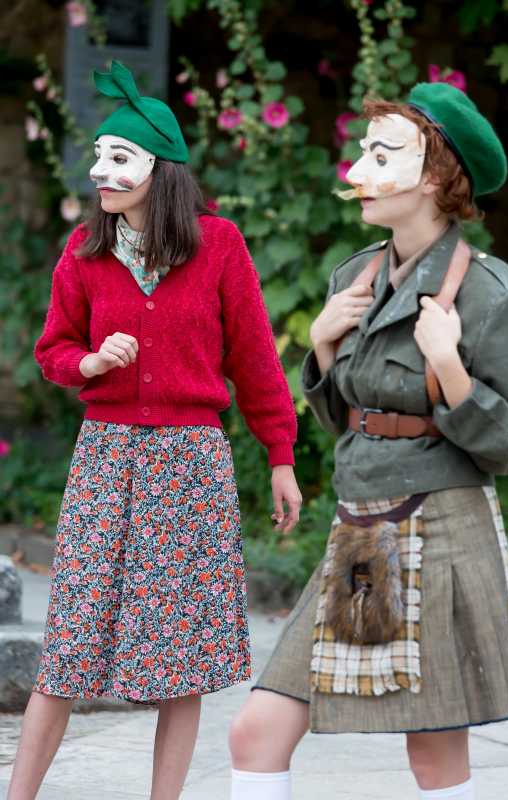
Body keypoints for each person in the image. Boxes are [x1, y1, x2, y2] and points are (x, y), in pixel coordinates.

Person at [229, 82, 508, 800]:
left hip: (443, 527)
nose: (356, 171)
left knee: (433, 755)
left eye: (382, 155)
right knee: (255, 733)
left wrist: (450, 369)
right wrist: (322, 347)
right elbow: (349, 420)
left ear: (434, 177)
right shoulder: (354, 278)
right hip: (360, 533)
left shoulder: (489, 293)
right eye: (363, 152)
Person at [7, 60, 302, 800]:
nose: (100, 172)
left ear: (159, 169)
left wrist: (280, 454)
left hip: (190, 464)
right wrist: (89, 361)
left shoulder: (219, 246)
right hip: (105, 458)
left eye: (119, 157)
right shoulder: (84, 251)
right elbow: (53, 349)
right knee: (68, 645)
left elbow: (256, 359)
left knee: (181, 661)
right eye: (98, 155)